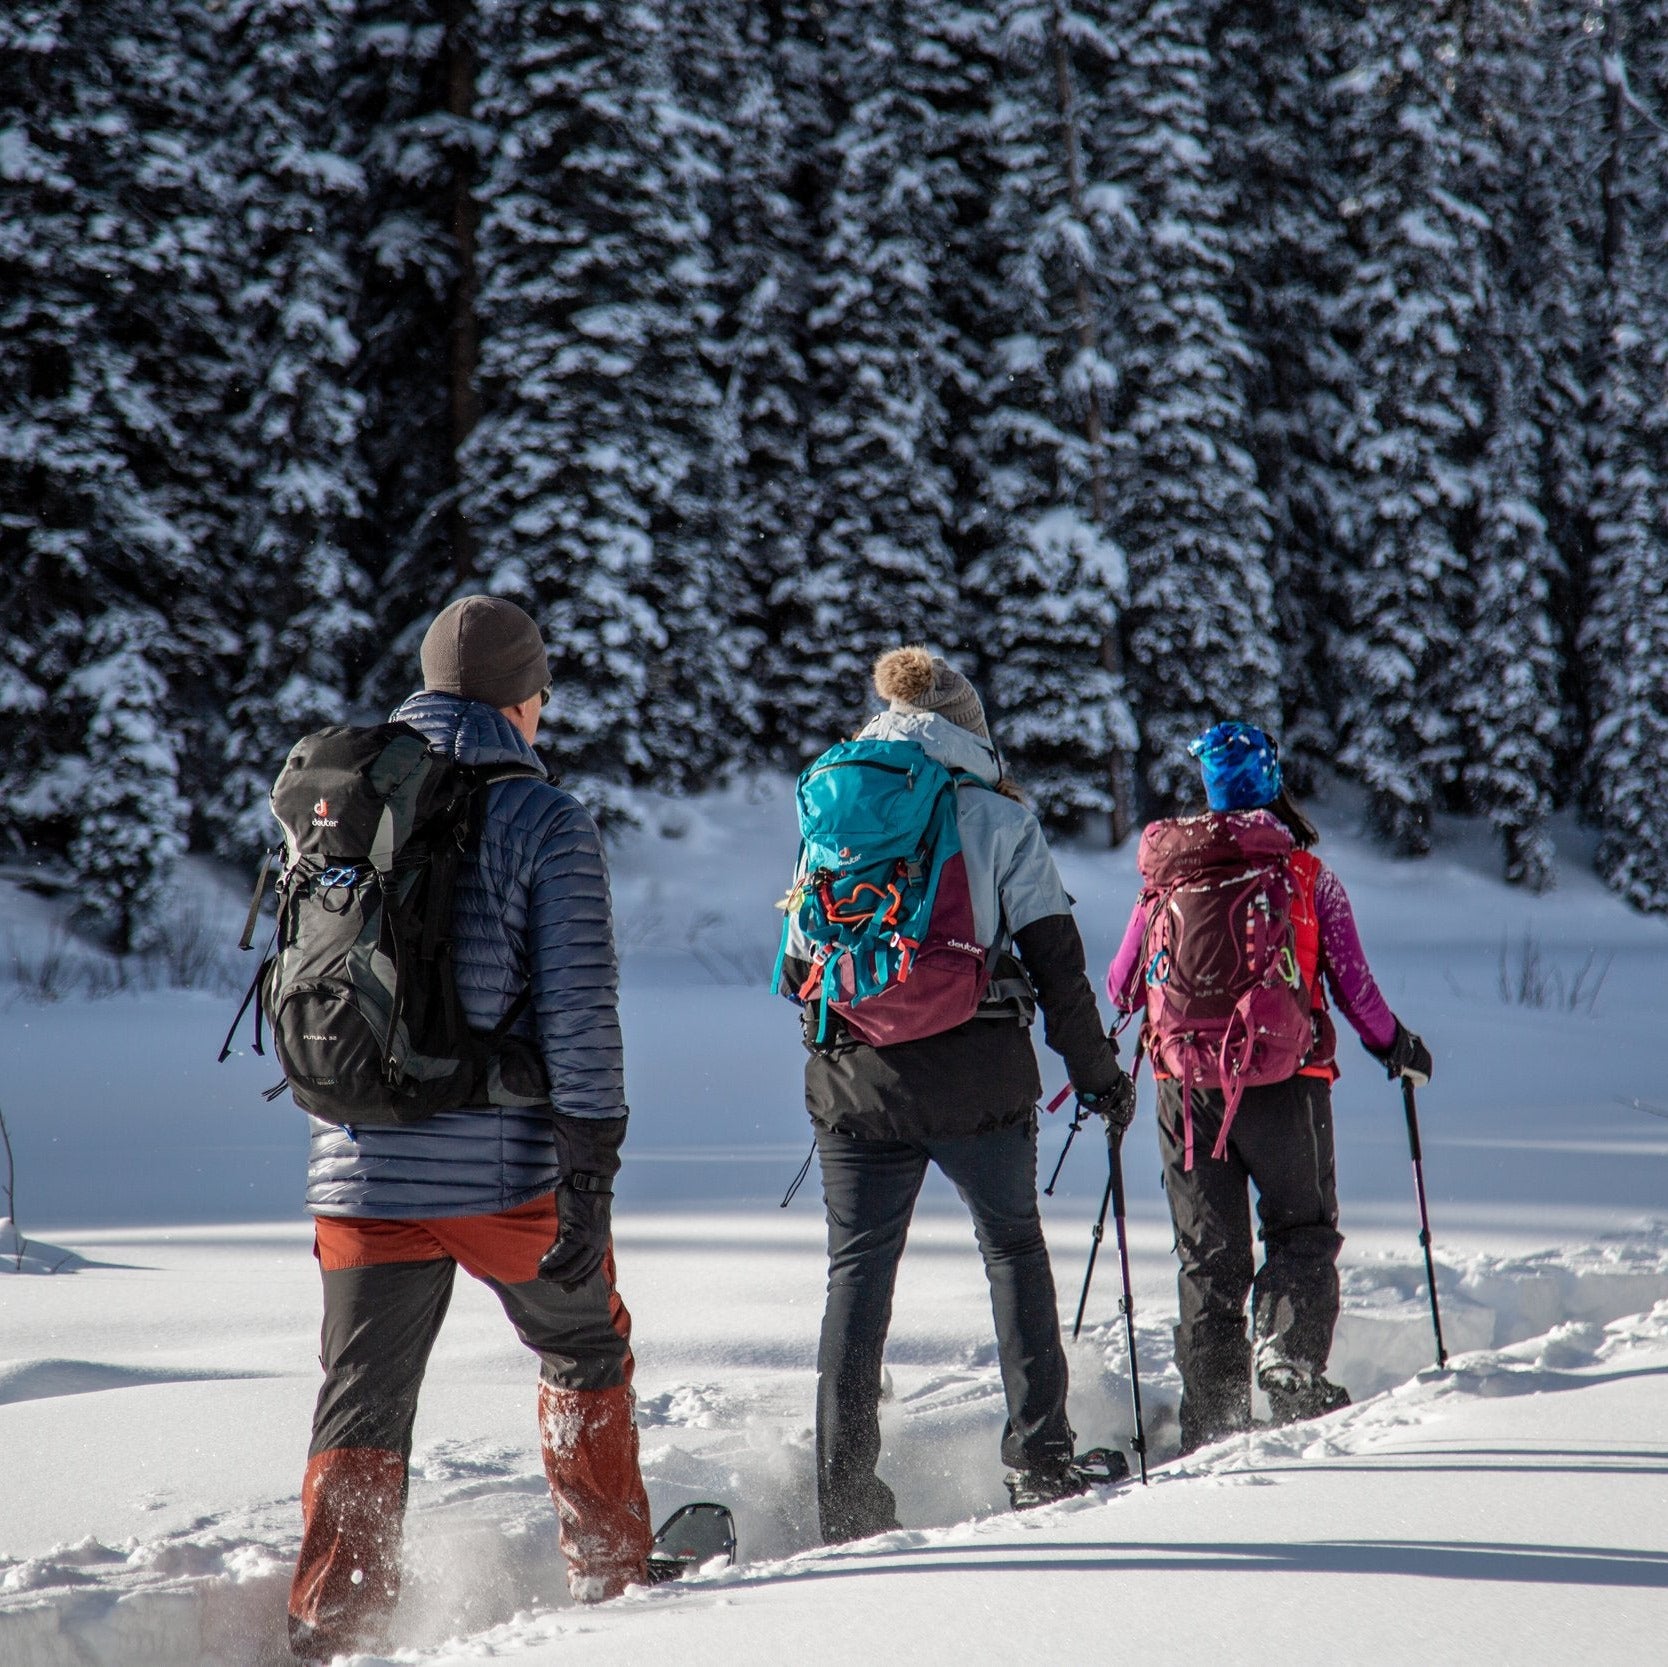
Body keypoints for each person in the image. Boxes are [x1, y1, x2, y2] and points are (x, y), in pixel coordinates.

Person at [286, 595, 653, 1662]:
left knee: (363, 1398)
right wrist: (590, 1170)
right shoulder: (546, 818)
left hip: (356, 1164)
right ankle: (612, 1578)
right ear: (522, 698)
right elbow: (579, 1011)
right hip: (504, 1172)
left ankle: (334, 1625)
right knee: (584, 1343)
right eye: (541, 692)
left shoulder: (348, 798)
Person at [777, 646, 1135, 1541]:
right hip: (980, 1076)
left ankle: (845, 1498)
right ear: (969, 730)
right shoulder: (999, 816)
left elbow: (796, 967)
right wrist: (1099, 1077)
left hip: (855, 1080)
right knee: (1012, 1250)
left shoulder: (836, 806)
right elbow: (1059, 966)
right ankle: (1041, 1461)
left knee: (858, 1273)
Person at [1105, 720, 1433, 1455]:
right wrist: (1397, 1047)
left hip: (1186, 1091)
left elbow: (1121, 984)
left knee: (1208, 1258)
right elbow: (1356, 989)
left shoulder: (1167, 876)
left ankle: (1213, 1417)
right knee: (1301, 1233)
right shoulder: (1307, 876)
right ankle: (1288, 1363)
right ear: (1273, 781)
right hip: (1289, 1084)